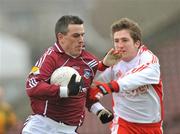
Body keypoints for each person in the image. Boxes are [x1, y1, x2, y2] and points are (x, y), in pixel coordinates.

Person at [22, 15, 121, 134]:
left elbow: (85, 92)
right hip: (42, 127)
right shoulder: (50, 57)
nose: (81, 40)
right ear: (61, 37)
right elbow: (32, 86)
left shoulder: (90, 61)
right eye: (75, 35)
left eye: (82, 35)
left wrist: (99, 110)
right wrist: (65, 91)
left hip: (69, 130)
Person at [89, 18, 164, 134]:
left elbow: (138, 76)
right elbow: (89, 82)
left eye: (124, 40)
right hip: (124, 125)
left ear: (137, 43)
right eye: (116, 41)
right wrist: (103, 65)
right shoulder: (113, 61)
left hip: (152, 126)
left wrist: (112, 85)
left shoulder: (148, 59)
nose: (120, 45)